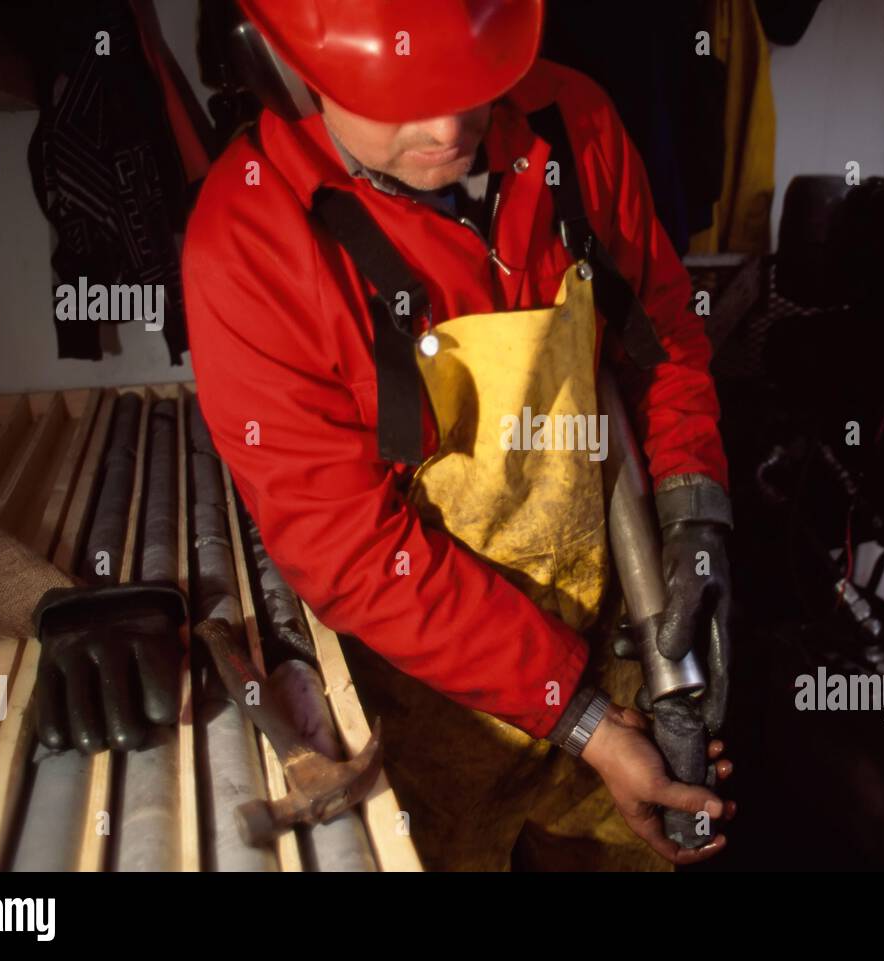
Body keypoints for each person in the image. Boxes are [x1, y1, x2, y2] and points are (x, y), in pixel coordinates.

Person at [184, 0, 735, 871]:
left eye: (474, 81)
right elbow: (352, 552)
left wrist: (695, 511)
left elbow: (660, 336)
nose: (450, 128)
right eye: (400, 97)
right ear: (283, 69)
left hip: (622, 644)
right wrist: (577, 715)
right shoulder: (249, 241)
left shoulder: (571, 122)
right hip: (434, 704)